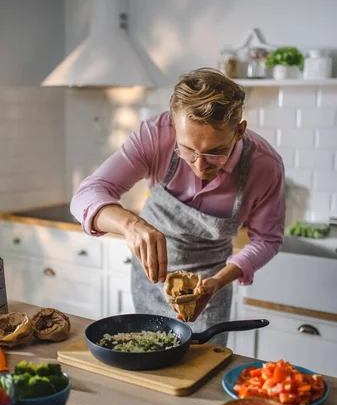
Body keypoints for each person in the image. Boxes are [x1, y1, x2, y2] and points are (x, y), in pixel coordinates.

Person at [71, 68, 285, 343]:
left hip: (212, 286)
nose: (199, 164)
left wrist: (219, 281)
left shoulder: (264, 166)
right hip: (150, 283)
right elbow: (87, 194)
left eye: (215, 152)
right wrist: (131, 225)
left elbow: (267, 239)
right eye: (187, 149)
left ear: (239, 131)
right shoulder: (155, 135)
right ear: (174, 125)